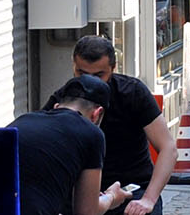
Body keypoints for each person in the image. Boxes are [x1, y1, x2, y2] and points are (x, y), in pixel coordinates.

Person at [46, 36, 176, 215]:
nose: (91, 81)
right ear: (73, 66)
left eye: (99, 75)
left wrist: (148, 199)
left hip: (131, 190)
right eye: (82, 74)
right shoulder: (64, 99)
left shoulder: (133, 93)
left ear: (113, 69)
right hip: (82, 194)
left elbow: (168, 148)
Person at [12, 75, 129, 215]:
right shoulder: (91, 134)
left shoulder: (23, 120)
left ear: (57, 106)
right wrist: (112, 197)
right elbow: (86, 212)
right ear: (97, 114)